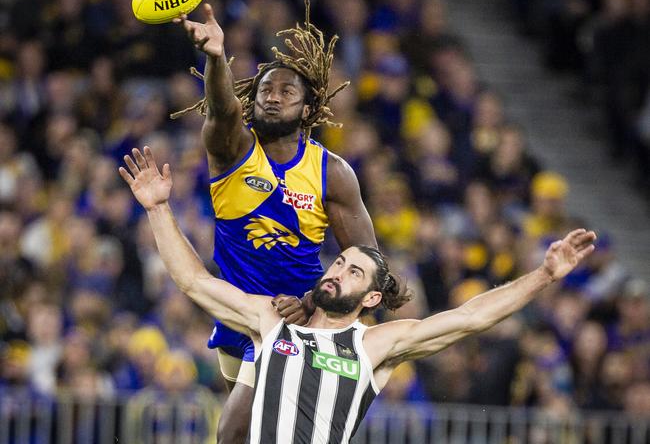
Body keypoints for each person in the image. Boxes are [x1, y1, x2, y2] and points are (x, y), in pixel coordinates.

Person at [119, 146, 597, 444]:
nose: (339, 271)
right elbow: (195, 283)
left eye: (354, 273)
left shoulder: (376, 345)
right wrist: (159, 209)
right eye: (340, 262)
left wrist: (543, 276)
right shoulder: (275, 319)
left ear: (370, 298)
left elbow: (470, 317)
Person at [171, 0, 376, 442]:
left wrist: (310, 302)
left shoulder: (332, 173)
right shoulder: (231, 150)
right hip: (235, 314)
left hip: (296, 321)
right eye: (266, 88)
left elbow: (366, 263)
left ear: (308, 110)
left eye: (287, 92)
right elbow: (221, 112)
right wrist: (217, 58)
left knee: (233, 433)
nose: (272, 95)